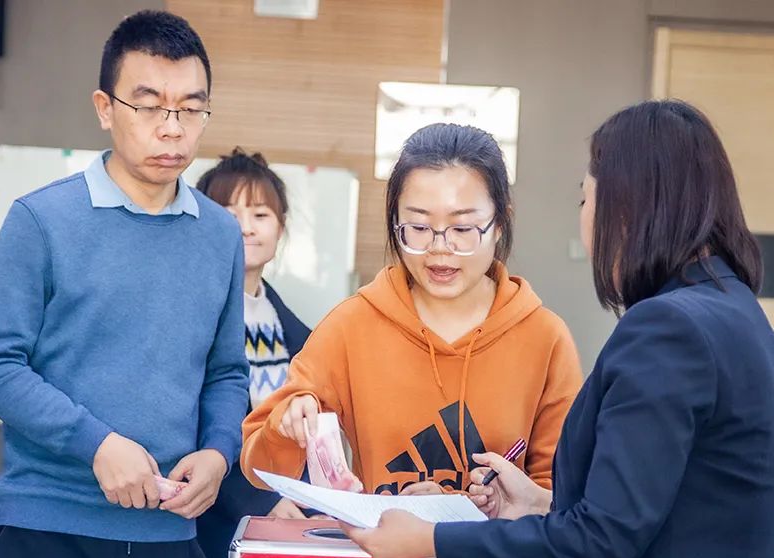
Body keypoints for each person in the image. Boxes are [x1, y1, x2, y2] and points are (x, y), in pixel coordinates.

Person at [343, 100, 774, 558]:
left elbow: (600, 541)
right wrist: (540, 504)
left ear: (627, 209)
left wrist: (431, 539)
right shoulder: (736, 307)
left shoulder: (666, 331)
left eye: (585, 200)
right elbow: (659, 504)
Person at [0, 10, 249, 558]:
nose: (172, 128)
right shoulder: (41, 219)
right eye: (149, 106)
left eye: (191, 108)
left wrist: (219, 453)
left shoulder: (221, 235)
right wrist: (96, 445)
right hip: (50, 529)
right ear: (104, 108)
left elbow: (226, 373)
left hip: (170, 531)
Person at [240, 124, 583, 500]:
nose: (440, 247)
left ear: (500, 223)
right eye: (418, 226)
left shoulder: (544, 338)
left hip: (500, 543)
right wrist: (287, 424)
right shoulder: (352, 326)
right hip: (382, 540)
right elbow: (259, 469)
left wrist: (503, 506)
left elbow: (565, 492)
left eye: (462, 228)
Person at [195, 147, 313, 558]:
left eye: (261, 214)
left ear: (281, 226)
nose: (246, 227)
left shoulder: (291, 324)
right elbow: (194, 422)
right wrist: (259, 501)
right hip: (216, 517)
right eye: (229, 213)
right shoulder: (193, 315)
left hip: (287, 510)